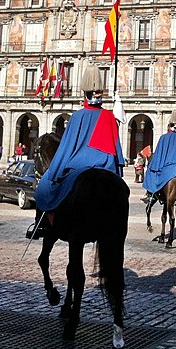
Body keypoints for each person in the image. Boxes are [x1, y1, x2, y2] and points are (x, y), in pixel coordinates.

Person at [31, 65, 125, 238]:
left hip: (79, 167)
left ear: (85, 94)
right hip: (107, 168)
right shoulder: (110, 117)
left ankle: (43, 226)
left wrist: (54, 172)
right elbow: (117, 151)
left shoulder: (77, 117)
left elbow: (66, 149)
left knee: (44, 186)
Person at [141, 110, 176, 204]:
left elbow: (158, 155)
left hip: (167, 165)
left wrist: (154, 165)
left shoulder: (164, 137)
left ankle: (150, 195)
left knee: (151, 172)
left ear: (169, 126)